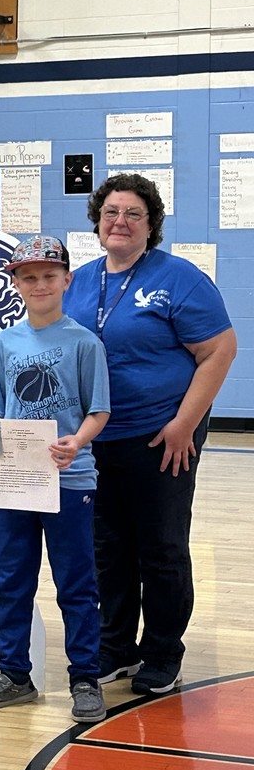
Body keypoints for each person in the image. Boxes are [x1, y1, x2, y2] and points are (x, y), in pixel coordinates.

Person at [64, 173, 237, 695]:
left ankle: (163, 652)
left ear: (151, 224)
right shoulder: (81, 281)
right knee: (107, 548)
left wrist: (185, 423)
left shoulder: (179, 278)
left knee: (159, 547)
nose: (120, 221)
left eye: (133, 214)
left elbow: (218, 351)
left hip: (164, 435)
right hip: (98, 439)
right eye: (111, 212)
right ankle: (116, 648)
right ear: (97, 220)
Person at [0, 236, 110, 724]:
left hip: (69, 481)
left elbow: (99, 409)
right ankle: (14, 674)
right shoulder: (6, 343)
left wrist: (77, 443)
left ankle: (85, 678)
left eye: (50, 275)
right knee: (12, 581)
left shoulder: (83, 342)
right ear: (16, 285)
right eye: (29, 277)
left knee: (75, 583)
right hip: (14, 480)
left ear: (67, 280)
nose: (40, 284)